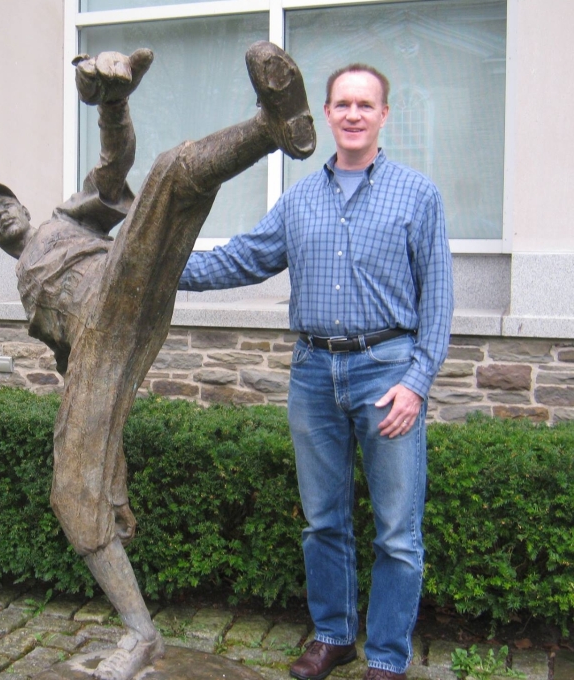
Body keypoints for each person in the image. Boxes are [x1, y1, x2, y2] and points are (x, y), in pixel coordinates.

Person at [0, 43, 315, 680]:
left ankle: (274, 126)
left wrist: (114, 104)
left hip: (120, 286)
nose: (3, 211)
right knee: (72, 493)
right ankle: (141, 633)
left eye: (5, 202)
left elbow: (113, 166)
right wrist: (112, 475)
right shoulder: (25, 293)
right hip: (99, 347)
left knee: (166, 173)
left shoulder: (64, 218)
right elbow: (79, 376)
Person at [179, 64, 454, 680]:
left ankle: (386, 656)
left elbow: (437, 303)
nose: (353, 114)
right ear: (326, 115)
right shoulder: (300, 197)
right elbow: (244, 258)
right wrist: (159, 266)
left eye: (365, 104)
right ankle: (334, 637)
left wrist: (416, 383)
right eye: (342, 104)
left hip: (387, 374)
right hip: (312, 374)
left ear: (385, 114)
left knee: (397, 533)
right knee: (323, 520)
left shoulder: (418, 195)